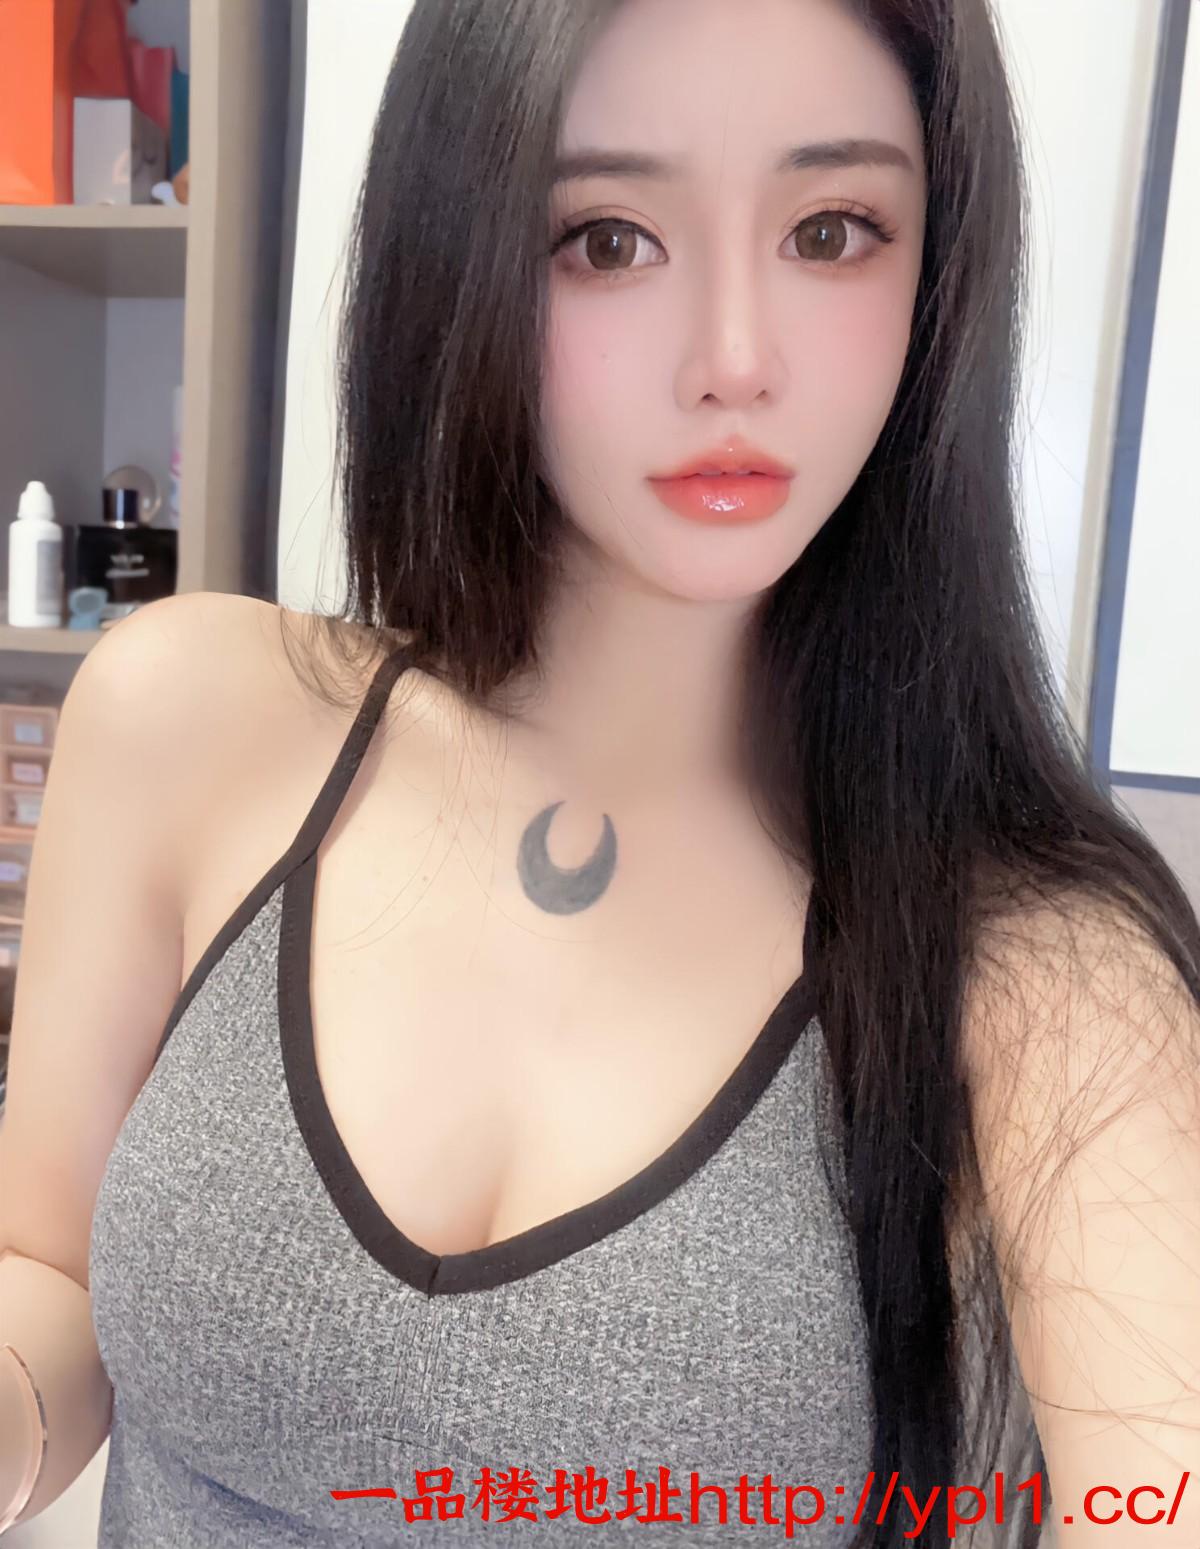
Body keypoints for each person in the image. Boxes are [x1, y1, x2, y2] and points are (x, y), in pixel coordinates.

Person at [2, 0, 1198, 1544]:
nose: (734, 361)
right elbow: (46, 1271)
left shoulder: (1047, 971)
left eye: (831, 231)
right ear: (461, 255)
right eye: (609, 239)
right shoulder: (190, 718)